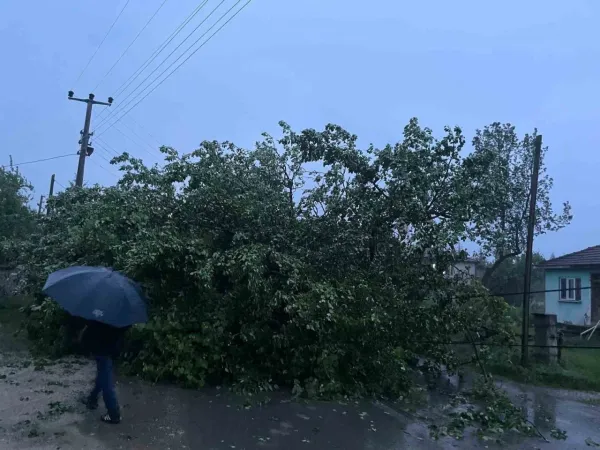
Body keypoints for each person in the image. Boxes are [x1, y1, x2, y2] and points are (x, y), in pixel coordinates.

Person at [79, 319, 130, 424]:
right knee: (102, 373)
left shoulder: (101, 310)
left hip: (102, 346)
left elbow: (92, 325)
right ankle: (92, 399)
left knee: (106, 379)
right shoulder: (120, 312)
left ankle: (113, 414)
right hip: (111, 345)